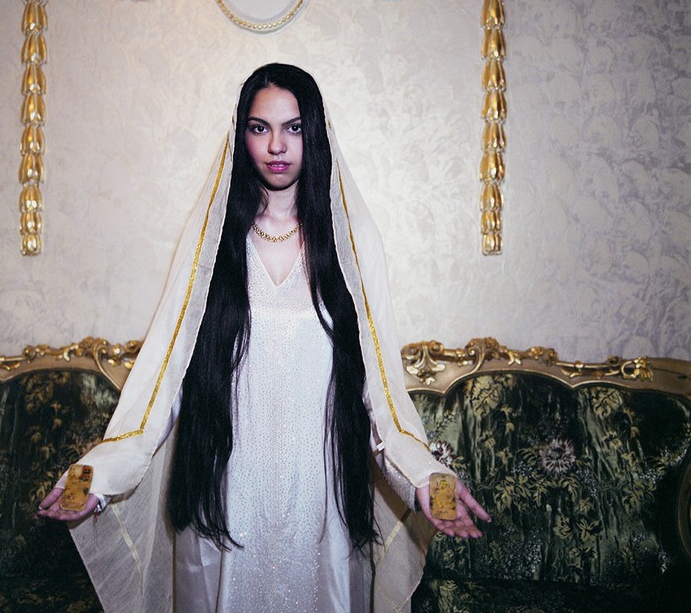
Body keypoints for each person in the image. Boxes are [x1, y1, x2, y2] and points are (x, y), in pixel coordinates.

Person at [39, 63, 489, 612]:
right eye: (260, 128)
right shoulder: (211, 246)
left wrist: (427, 479)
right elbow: (163, 383)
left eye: (293, 128)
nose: (277, 146)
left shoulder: (349, 247)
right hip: (223, 502)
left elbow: (383, 396)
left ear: (315, 133)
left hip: (320, 508)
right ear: (242, 135)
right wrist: (97, 478)